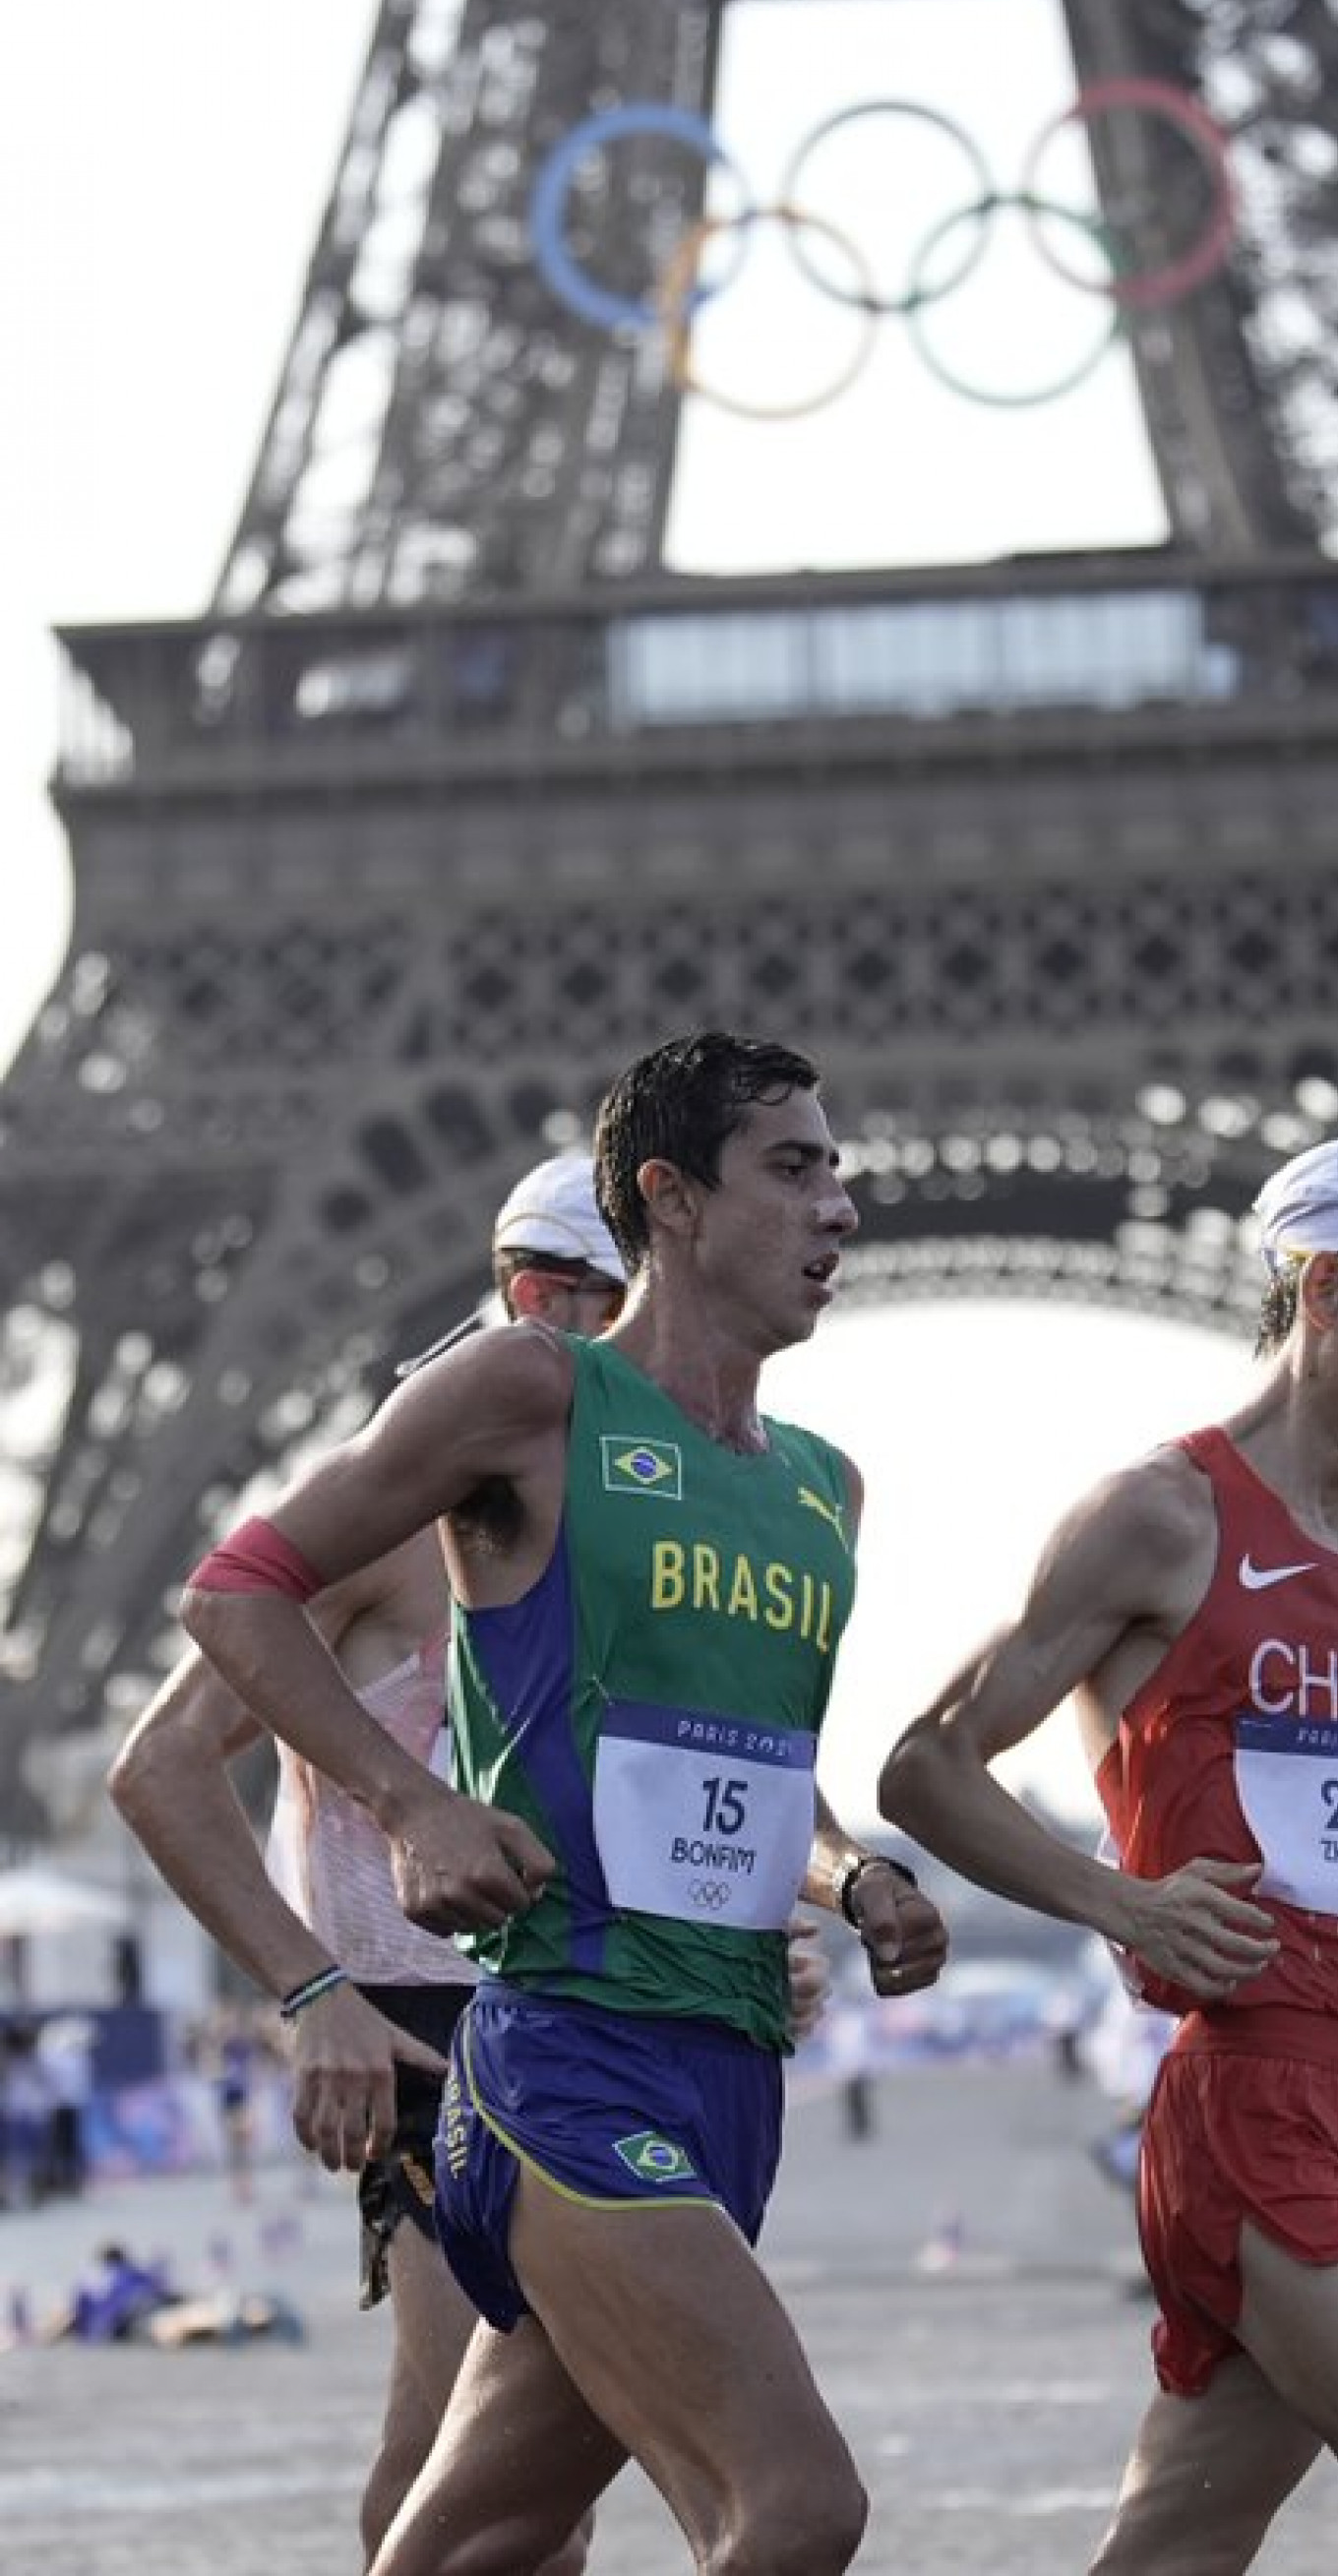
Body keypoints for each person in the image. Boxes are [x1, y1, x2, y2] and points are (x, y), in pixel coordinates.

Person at [177, 1031, 949, 2576]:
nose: (842, 1207)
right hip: (567, 2058)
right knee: (797, 2505)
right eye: (795, 1169)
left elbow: (754, 1776)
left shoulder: (823, 1483)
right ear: (669, 1198)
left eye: (840, 1170)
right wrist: (410, 1803)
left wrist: (855, 1875)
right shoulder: (532, 1391)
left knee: (480, 2538)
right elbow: (235, 1593)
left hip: (732, 2065)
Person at [879, 1131, 1338, 2575]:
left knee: (1174, 2547)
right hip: (1251, 2095)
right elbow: (924, 1765)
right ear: (1326, 1288)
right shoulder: (1162, 1513)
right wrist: (1120, 1898)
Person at [110, 1150, 630, 2567]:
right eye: (629, 1307)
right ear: (540, 1295)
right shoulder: (383, 1518)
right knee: (453, 2454)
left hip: (591, 2005)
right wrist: (308, 1989)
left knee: (554, 2467)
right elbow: (159, 1766)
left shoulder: (634, 1513)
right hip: (418, 2021)